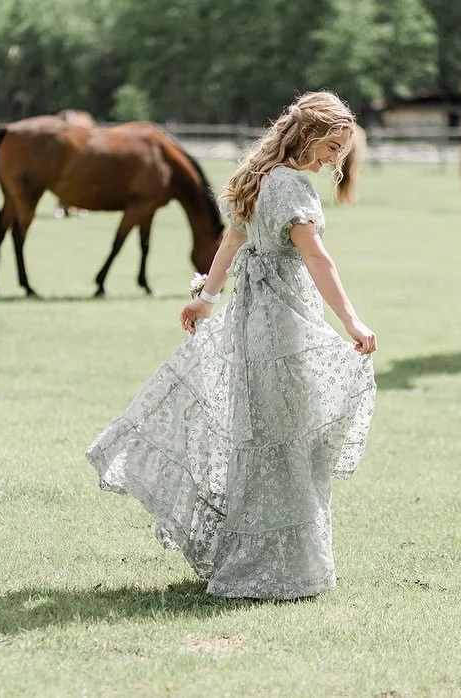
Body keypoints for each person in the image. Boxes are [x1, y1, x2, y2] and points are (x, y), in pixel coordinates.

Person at [85, 91, 378, 600]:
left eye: (340, 152)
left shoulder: (261, 176)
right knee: (287, 435)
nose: (334, 160)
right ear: (308, 136)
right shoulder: (291, 187)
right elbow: (317, 259)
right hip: (283, 325)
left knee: (265, 432)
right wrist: (351, 320)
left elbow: (232, 239)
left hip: (253, 320)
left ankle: (266, 558)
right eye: (332, 147)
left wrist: (208, 297)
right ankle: (277, 567)